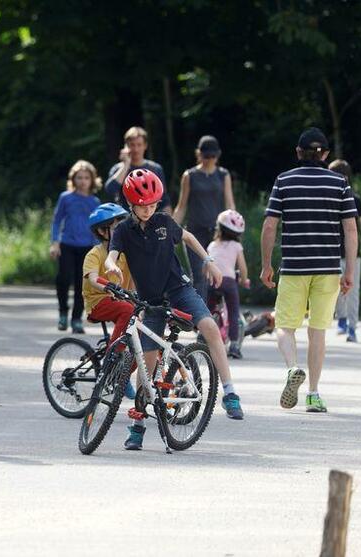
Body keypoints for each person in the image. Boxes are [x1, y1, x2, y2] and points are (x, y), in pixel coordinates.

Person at [104, 169, 244, 451]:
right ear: (131, 204)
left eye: (153, 204)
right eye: (143, 205)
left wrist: (209, 261)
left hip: (178, 289)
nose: (148, 210)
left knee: (210, 327)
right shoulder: (122, 230)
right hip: (150, 300)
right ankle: (138, 427)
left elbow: (189, 239)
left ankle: (229, 392)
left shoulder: (164, 222)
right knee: (147, 367)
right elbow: (112, 254)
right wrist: (111, 266)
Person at [260, 128, 358, 413]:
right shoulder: (339, 183)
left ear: (297, 153)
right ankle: (314, 394)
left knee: (284, 327)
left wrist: (266, 265)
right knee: (318, 331)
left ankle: (292, 368)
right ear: (325, 155)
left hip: (293, 267)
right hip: (327, 269)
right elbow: (350, 229)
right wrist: (349, 270)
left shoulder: (284, 181)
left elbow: (269, 225)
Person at [82, 202, 138, 400]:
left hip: (119, 301)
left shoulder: (125, 255)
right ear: (102, 231)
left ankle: (121, 376)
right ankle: (113, 356)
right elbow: (92, 278)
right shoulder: (95, 254)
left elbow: (130, 285)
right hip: (98, 302)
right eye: (116, 227)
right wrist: (108, 286)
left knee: (142, 337)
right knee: (126, 310)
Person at [173, 135, 236, 301]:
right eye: (206, 156)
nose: (209, 160)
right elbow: (181, 206)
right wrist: (170, 229)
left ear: (218, 155)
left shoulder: (223, 175)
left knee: (218, 274)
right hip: (195, 232)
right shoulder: (190, 175)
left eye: (212, 156)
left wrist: (234, 229)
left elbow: (230, 204)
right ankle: (201, 319)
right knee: (199, 275)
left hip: (218, 234)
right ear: (199, 154)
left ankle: (217, 317)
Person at [49, 160, 101, 334]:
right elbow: (57, 221)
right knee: (63, 279)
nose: (83, 181)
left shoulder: (95, 201)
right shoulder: (66, 198)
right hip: (67, 244)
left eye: (86, 177)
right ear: (74, 179)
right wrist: (55, 242)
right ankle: (63, 312)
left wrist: (99, 248)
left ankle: (76, 319)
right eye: (79, 177)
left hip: (87, 247)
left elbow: (98, 226)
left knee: (82, 283)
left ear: (92, 180)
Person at [328, 159, 361, 343]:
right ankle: (341, 318)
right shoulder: (328, 198)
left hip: (351, 254)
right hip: (331, 252)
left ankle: (352, 328)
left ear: (344, 177)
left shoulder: (355, 199)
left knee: (352, 291)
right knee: (336, 289)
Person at [207, 209, 250, 359]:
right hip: (229, 282)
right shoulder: (236, 247)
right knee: (233, 312)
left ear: (219, 228)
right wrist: (244, 280)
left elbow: (204, 266)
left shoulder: (212, 245)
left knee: (208, 310)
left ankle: (203, 337)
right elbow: (243, 267)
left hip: (213, 281)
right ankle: (234, 345)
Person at [104, 126, 171, 213]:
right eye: (132, 145)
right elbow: (110, 190)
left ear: (145, 145)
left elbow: (164, 200)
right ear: (126, 147)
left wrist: (169, 223)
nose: (136, 149)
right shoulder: (117, 169)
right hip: (126, 220)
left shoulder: (155, 169)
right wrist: (126, 165)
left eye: (139, 145)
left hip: (150, 219)